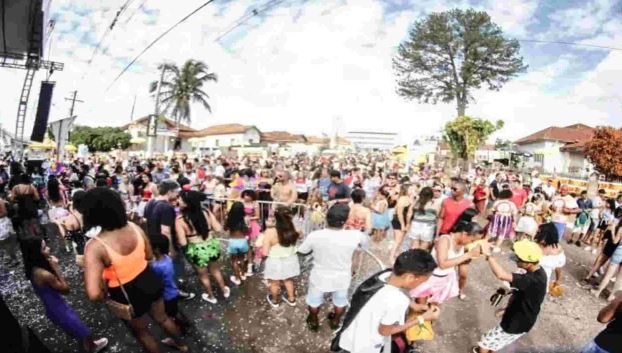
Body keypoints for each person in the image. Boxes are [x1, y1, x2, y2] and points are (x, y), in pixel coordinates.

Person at [83, 187, 187, 353]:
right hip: (149, 278)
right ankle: (182, 345)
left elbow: (94, 293)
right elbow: (149, 255)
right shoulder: (133, 227)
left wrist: (106, 294)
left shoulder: (94, 247)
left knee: (142, 332)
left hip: (125, 292)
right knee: (163, 318)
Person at [336, 249, 441, 353]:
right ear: (410, 277)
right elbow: (385, 331)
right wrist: (422, 318)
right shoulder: (398, 300)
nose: (423, 284)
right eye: (423, 281)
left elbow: (385, 296)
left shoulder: (384, 275)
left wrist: (414, 305)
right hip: (365, 346)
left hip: (350, 335)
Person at [20, 236, 108, 352]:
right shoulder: (44, 274)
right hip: (59, 310)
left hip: (53, 308)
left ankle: (90, 345)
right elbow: (66, 289)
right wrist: (57, 268)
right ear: (37, 253)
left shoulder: (33, 269)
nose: (48, 249)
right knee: (83, 332)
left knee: (79, 334)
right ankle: (92, 348)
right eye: (44, 248)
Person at [298, 204, 369, 331]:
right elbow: (363, 246)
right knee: (340, 301)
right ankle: (335, 321)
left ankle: (313, 321)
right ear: (346, 220)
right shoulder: (356, 236)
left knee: (314, 301)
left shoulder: (315, 235)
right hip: (342, 277)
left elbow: (302, 251)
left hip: (320, 276)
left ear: (326, 218)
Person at [475, 240, 547, 353]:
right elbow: (525, 294)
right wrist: (506, 308)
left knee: (485, 341)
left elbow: (501, 275)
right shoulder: (539, 272)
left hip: (516, 322)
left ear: (529, 263)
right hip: (522, 319)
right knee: (497, 343)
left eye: (518, 259)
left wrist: (489, 256)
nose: (515, 259)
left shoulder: (530, 279)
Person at [410, 214, 484, 304]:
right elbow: (442, 264)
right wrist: (468, 255)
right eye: (472, 240)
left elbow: (460, 263)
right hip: (429, 278)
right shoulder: (445, 240)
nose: (472, 243)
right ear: (465, 234)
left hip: (444, 280)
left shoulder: (463, 244)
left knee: (434, 308)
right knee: (420, 308)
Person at [176, 190, 229, 304]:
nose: (178, 201)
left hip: (195, 249)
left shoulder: (180, 220)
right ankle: (224, 290)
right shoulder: (206, 212)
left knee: (203, 275)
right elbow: (219, 228)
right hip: (211, 245)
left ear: (187, 203)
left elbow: (183, 242)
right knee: (216, 270)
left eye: (180, 199)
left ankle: (211, 296)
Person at [144, 180, 192, 299]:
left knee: (160, 269)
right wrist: (171, 250)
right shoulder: (166, 207)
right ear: (170, 192)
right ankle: (177, 291)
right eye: (176, 193)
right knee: (173, 268)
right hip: (164, 245)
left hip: (154, 242)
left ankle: (165, 289)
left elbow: (145, 221)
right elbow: (165, 231)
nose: (178, 196)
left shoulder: (150, 202)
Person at [149, 235, 191, 337]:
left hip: (167, 296)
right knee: (175, 310)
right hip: (173, 290)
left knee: (171, 313)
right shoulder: (167, 258)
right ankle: (185, 323)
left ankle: (182, 328)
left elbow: (155, 279)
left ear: (157, 249)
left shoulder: (157, 267)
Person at [262, 207, 301, 308]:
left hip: (275, 261)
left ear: (276, 218)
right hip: (291, 259)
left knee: (274, 283)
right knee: (288, 280)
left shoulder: (270, 232)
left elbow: (265, 252)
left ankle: (275, 301)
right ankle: (291, 299)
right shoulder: (295, 230)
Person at [55, 190, 88, 265]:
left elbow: (68, 240)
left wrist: (59, 225)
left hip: (81, 250)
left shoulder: (71, 219)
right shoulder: (89, 212)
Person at [534, 223, 566, 292]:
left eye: (540, 233)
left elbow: (558, 268)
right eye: (538, 232)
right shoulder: (534, 245)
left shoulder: (558, 250)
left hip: (541, 283)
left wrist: (558, 280)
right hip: (526, 278)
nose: (537, 235)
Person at [225, 201, 250, 286]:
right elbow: (247, 230)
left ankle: (237, 278)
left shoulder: (229, 218)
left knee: (234, 261)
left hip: (233, 241)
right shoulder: (245, 218)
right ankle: (243, 274)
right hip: (242, 241)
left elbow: (225, 228)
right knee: (242, 259)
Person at [408, 186, 437, 250]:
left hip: (415, 226)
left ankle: (413, 259)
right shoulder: (434, 204)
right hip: (428, 227)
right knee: (423, 249)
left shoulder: (416, 203)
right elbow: (437, 216)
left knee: (414, 247)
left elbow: (409, 213)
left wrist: (408, 224)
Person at [389, 184, 413, 262]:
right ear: (406, 190)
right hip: (399, 221)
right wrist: (403, 225)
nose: (412, 191)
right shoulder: (402, 199)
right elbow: (399, 213)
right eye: (411, 189)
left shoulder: (407, 198)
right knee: (398, 240)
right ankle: (391, 257)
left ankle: (396, 253)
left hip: (402, 220)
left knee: (400, 240)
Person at [241, 189, 262, 274]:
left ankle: (252, 262)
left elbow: (258, 216)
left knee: (252, 245)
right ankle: (246, 258)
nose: (246, 197)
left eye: (248, 195)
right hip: (242, 225)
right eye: (245, 195)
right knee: (244, 244)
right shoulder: (241, 202)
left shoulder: (255, 204)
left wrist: (249, 218)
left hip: (252, 225)